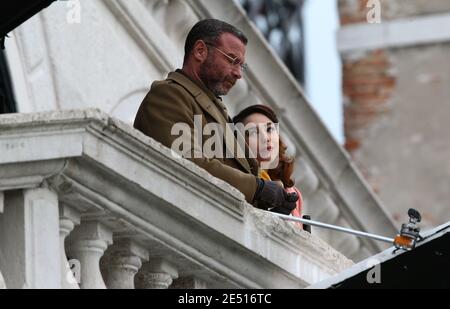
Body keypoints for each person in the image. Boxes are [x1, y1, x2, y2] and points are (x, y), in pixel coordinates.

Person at [133, 19, 297, 214]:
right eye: (231, 60)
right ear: (200, 51)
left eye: (241, 66)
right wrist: (257, 189)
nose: (238, 74)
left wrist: (267, 208)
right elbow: (186, 164)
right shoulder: (169, 95)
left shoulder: (215, 108)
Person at [232, 104, 303, 226]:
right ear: (239, 142)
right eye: (253, 132)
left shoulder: (293, 193)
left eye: (269, 129)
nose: (266, 138)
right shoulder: (239, 180)